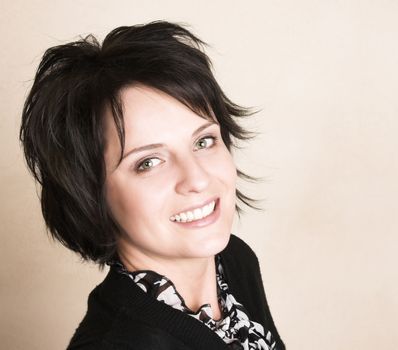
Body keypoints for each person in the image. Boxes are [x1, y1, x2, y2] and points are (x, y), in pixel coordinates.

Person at [19, 20, 285, 350]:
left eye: (204, 141)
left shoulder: (233, 260)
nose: (197, 178)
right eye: (148, 162)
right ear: (90, 193)